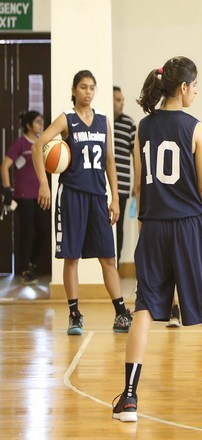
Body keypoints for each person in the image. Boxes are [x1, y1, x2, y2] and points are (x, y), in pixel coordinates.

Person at [112, 57, 202, 422]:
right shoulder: (197, 129)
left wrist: (144, 228)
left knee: (144, 309)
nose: (195, 92)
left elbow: (142, 187)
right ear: (183, 88)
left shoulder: (143, 128)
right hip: (191, 227)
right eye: (194, 86)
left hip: (154, 226)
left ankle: (129, 397)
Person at [31, 70, 132, 335]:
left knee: (108, 257)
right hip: (72, 194)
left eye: (91, 87)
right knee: (72, 257)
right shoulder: (67, 119)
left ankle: (121, 312)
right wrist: (44, 183)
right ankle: (74, 314)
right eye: (83, 87)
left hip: (98, 197)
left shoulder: (103, 121)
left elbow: (110, 162)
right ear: (74, 90)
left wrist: (116, 199)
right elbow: (38, 145)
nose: (87, 92)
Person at [1, 111, 49, 284]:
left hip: (40, 194)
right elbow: (5, 166)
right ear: (29, 125)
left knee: (42, 229)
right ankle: (25, 270)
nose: (40, 124)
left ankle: (32, 262)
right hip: (23, 194)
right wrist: (7, 189)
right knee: (27, 231)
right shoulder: (20, 144)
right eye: (37, 121)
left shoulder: (41, 143)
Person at [112, 86, 137, 268]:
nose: (121, 103)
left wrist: (137, 184)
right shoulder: (101, 120)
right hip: (101, 186)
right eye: (118, 99)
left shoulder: (129, 123)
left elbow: (135, 155)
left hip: (122, 185)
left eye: (122, 100)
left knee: (118, 229)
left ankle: (116, 265)